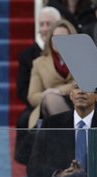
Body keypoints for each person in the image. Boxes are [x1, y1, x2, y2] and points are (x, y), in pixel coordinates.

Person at [26, 81, 97, 177]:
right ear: (71, 95)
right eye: (76, 88)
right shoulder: (53, 124)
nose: (81, 92)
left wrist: (85, 175)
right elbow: (33, 165)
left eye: (87, 88)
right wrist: (60, 174)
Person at [15, 6, 61, 165]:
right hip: (36, 104)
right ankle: (34, 167)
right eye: (42, 24)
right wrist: (45, 99)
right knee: (26, 120)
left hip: (69, 102)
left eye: (49, 24)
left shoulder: (71, 51)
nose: (45, 28)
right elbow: (23, 91)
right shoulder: (28, 56)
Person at [27, 19, 77, 129]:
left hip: (78, 102)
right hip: (49, 107)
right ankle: (68, 136)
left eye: (62, 37)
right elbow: (33, 96)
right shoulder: (39, 63)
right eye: (54, 37)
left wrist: (58, 91)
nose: (57, 41)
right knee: (51, 99)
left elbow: (84, 84)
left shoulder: (81, 59)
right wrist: (48, 94)